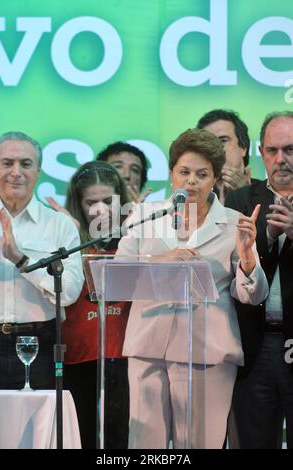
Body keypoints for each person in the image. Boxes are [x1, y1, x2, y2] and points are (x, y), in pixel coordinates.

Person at [116, 128, 268, 449]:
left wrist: (246, 259)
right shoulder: (144, 216)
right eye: (184, 172)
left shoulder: (235, 222)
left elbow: (253, 295)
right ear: (172, 175)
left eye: (202, 174)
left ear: (214, 179)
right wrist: (161, 260)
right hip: (148, 349)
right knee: (146, 446)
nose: (191, 181)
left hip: (207, 353)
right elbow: (118, 280)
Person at [50, 161, 132, 449]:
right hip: (77, 355)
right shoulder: (63, 237)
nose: (101, 210)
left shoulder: (137, 236)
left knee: (119, 438)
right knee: (79, 436)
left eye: (109, 201)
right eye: (91, 202)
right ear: (78, 204)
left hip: (124, 355)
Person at [0, 131, 83, 390]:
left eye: (26, 164)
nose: (16, 172)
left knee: (38, 427)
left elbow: (69, 293)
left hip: (38, 345)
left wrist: (22, 261)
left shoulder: (59, 225)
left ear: (39, 172)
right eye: (7, 163)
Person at [225, 111, 293, 449]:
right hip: (254, 345)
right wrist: (264, 236)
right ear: (261, 153)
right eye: (272, 150)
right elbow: (231, 273)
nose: (280, 159)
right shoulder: (239, 202)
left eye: (290, 150)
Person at [197, 109, 256, 203]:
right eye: (208, 143)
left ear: (243, 147)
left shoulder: (268, 194)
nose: (215, 149)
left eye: (223, 140)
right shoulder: (192, 198)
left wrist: (247, 197)